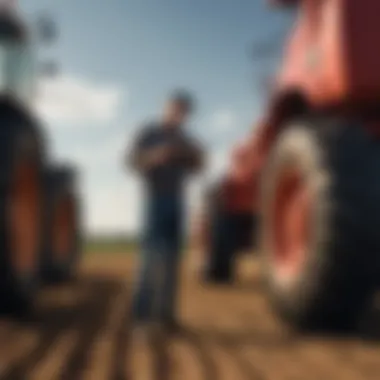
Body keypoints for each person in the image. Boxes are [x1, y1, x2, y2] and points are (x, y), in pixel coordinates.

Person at [128, 90, 204, 334]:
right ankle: (141, 319)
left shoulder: (185, 139)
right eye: (176, 109)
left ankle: (166, 317)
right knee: (151, 260)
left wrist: (193, 157)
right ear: (166, 108)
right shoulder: (149, 133)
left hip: (177, 202)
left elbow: (198, 166)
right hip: (155, 200)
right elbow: (131, 161)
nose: (179, 115)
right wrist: (155, 156)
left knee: (172, 261)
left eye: (184, 112)